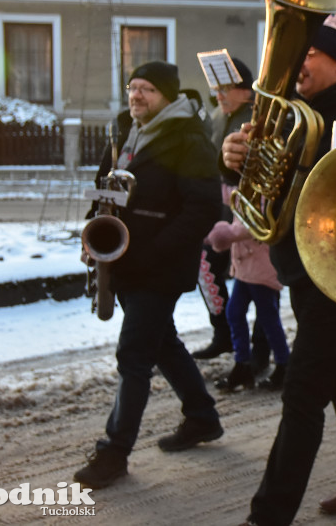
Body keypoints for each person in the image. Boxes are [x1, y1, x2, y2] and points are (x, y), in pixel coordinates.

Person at [224, 14, 336, 526]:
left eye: (309, 54)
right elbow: (272, 179)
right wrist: (236, 156)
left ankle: (268, 514)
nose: (298, 63)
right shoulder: (302, 108)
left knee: (303, 393)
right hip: (305, 265)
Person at [74, 61, 224, 489]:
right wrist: (93, 231)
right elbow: (103, 184)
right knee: (163, 344)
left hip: (159, 268)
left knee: (133, 355)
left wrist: (152, 252)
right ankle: (202, 416)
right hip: (125, 260)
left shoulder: (189, 138)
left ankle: (113, 452)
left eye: (147, 90)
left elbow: (203, 208)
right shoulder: (124, 129)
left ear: (168, 96)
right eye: (132, 87)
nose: (136, 96)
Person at [193, 58, 273, 376]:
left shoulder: (253, 118)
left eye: (225, 88)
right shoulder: (219, 117)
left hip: (251, 211)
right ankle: (225, 335)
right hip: (222, 209)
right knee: (211, 270)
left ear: (244, 90)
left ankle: (261, 351)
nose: (219, 96)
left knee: (259, 284)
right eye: (216, 89)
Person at [205, 210, 288, 391]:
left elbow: (256, 222)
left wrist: (223, 233)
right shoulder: (242, 187)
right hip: (245, 267)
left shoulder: (262, 191)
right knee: (234, 313)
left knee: (268, 319)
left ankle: (284, 365)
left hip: (261, 267)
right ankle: (242, 364)